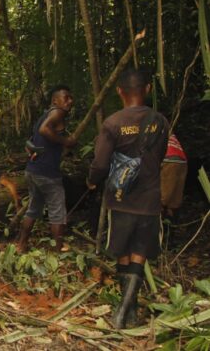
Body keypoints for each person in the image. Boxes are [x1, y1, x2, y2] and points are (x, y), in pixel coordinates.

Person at [86, 68, 168, 330]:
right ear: (147, 90)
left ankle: (121, 312)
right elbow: (162, 155)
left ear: (120, 91)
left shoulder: (112, 123)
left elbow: (100, 164)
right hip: (149, 199)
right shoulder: (161, 122)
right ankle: (128, 312)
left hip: (120, 198)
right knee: (139, 253)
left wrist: (91, 180)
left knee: (122, 251)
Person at [15, 85, 76, 253]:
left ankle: (21, 245)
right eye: (66, 98)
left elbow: (32, 140)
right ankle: (57, 250)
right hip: (47, 173)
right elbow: (44, 131)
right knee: (57, 212)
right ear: (55, 101)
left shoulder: (44, 115)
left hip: (33, 170)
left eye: (71, 98)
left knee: (33, 209)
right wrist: (66, 142)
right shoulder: (57, 112)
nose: (70, 101)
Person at [160, 133, 188, 220]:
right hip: (182, 160)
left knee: (163, 191)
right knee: (175, 191)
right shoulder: (167, 130)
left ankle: (161, 214)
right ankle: (170, 213)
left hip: (169, 158)